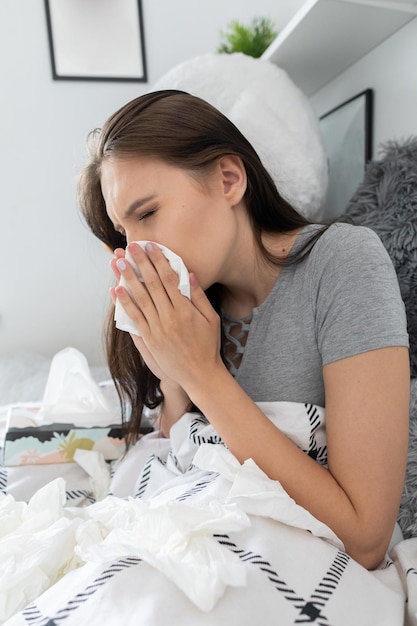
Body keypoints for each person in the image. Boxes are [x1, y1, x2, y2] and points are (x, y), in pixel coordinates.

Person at [78, 90, 410, 570]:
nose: (137, 249)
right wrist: (172, 379)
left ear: (229, 180)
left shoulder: (343, 262)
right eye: (123, 232)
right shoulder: (195, 301)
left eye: (148, 213)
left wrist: (202, 372)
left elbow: (364, 538)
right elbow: (180, 451)